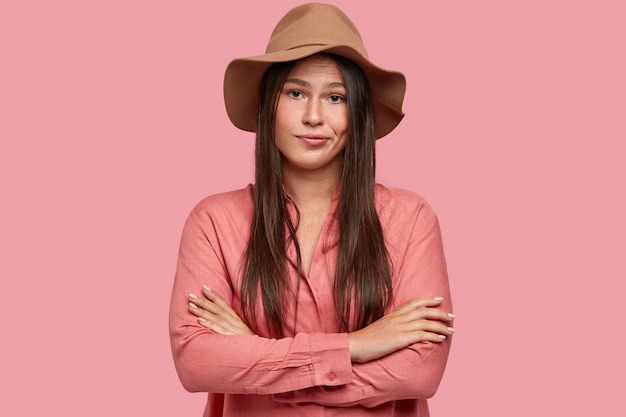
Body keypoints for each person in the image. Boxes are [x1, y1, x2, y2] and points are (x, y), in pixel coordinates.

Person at [169, 3, 454, 416]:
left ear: (356, 113)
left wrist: (257, 353)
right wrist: (357, 345)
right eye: (296, 92)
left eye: (335, 97)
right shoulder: (213, 221)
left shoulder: (410, 219)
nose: (315, 116)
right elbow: (196, 362)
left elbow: (419, 373)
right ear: (269, 105)